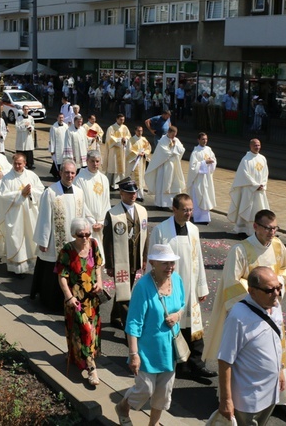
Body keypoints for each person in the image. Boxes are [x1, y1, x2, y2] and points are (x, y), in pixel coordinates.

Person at [202, 210, 286, 409]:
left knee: (274, 351)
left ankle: (278, 397)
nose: (272, 232)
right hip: (248, 313)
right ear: (255, 227)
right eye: (268, 228)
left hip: (272, 309)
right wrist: (258, 298)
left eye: (275, 228)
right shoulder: (240, 250)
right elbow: (231, 283)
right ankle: (236, 398)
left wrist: (277, 283)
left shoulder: (278, 246)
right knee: (248, 356)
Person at [115, 244, 185, 426]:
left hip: (170, 350)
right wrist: (133, 354)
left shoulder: (176, 280)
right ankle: (123, 406)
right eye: (165, 263)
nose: (170, 266)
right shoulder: (143, 287)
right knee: (144, 389)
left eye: (172, 262)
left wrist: (177, 316)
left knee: (163, 394)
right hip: (147, 351)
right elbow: (133, 324)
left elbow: (183, 305)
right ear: (153, 263)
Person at [149, 193, 212, 378]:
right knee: (175, 324)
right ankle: (180, 363)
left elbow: (198, 259)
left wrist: (201, 286)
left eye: (191, 209)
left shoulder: (193, 230)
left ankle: (197, 364)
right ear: (174, 209)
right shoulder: (161, 230)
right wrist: (155, 288)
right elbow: (152, 260)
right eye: (184, 210)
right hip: (170, 286)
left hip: (190, 285)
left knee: (193, 324)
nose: (189, 213)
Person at [216, 267, 286, 426]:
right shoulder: (238, 317)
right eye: (269, 290)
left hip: (270, 393)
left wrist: (280, 370)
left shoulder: (275, 306)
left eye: (278, 288)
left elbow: (276, 340)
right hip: (248, 399)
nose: (276, 293)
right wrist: (226, 400)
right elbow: (225, 360)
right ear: (252, 291)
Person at [32, 159, 92, 310]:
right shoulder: (51, 192)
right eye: (66, 172)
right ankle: (50, 301)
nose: (70, 175)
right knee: (54, 271)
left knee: (72, 270)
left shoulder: (79, 192)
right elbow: (44, 218)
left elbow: (83, 214)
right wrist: (43, 241)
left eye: (72, 173)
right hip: (55, 240)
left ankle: (71, 299)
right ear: (60, 173)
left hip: (73, 240)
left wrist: (86, 233)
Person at [57, 217, 104, 386]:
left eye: (87, 234)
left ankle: (78, 356)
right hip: (75, 300)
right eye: (80, 235)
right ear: (73, 234)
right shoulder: (67, 251)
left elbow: (98, 264)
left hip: (91, 299)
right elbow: (62, 276)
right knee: (84, 329)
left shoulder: (94, 244)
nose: (85, 238)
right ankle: (92, 369)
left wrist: (99, 280)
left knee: (90, 332)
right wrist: (68, 296)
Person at [104, 177, 149, 330]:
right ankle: (127, 324)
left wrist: (144, 257)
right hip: (120, 259)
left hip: (135, 258)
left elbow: (145, 235)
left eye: (134, 193)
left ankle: (115, 316)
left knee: (125, 288)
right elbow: (108, 241)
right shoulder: (112, 214)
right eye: (129, 193)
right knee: (124, 292)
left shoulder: (142, 211)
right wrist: (109, 265)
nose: (133, 196)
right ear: (121, 193)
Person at [0, 153, 44, 276]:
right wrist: (21, 193)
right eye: (15, 163)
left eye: (20, 163)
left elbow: (41, 191)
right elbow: (3, 196)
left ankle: (32, 265)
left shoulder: (32, 176)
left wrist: (30, 192)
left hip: (30, 214)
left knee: (30, 238)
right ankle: (17, 268)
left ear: (25, 163)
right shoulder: (7, 178)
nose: (17, 166)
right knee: (16, 239)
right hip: (15, 216)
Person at [228, 139, 269, 235]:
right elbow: (244, 174)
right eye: (255, 145)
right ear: (250, 146)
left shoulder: (263, 158)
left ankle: (258, 230)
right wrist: (255, 185)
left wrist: (263, 184)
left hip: (260, 190)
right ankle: (244, 229)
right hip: (249, 190)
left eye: (259, 145)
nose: (257, 147)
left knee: (259, 209)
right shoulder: (246, 159)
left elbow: (265, 173)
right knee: (247, 210)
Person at [72, 150, 110, 249]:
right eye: (92, 161)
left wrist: (101, 222)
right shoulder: (79, 179)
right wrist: (92, 222)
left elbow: (107, 202)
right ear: (87, 161)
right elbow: (80, 203)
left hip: (101, 223)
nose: (95, 164)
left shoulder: (104, 179)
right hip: (87, 223)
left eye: (97, 161)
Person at [144, 126, 186, 209]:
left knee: (173, 184)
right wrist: (174, 150)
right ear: (168, 132)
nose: (173, 137)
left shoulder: (176, 140)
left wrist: (174, 146)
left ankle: (170, 204)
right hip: (163, 166)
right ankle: (160, 204)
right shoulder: (163, 140)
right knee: (162, 184)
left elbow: (182, 150)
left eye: (175, 135)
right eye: (172, 135)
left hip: (173, 166)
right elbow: (164, 153)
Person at [187, 132, 217, 224]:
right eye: (203, 139)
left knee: (206, 197)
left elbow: (214, 160)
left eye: (206, 139)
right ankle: (198, 217)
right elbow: (193, 167)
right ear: (198, 140)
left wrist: (212, 162)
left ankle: (205, 217)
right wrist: (204, 163)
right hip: (198, 179)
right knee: (198, 197)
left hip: (207, 178)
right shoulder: (195, 152)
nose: (205, 141)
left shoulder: (209, 149)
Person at [105, 113, 131, 189]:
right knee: (113, 166)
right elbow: (109, 139)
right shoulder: (111, 128)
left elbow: (128, 136)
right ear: (117, 119)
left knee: (121, 167)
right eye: (121, 119)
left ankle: (119, 184)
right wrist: (120, 140)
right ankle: (110, 183)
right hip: (114, 151)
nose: (122, 121)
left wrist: (125, 139)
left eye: (123, 119)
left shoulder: (125, 127)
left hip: (122, 150)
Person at [127, 126, 152, 202]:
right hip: (134, 163)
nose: (140, 132)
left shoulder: (144, 139)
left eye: (141, 131)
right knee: (134, 179)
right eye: (138, 131)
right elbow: (128, 151)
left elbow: (148, 148)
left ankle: (140, 195)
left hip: (141, 162)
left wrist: (144, 153)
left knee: (140, 179)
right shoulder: (131, 140)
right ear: (135, 131)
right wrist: (137, 154)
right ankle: (133, 194)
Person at [48, 113, 69, 179]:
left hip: (64, 147)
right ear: (57, 118)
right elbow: (52, 139)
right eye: (60, 118)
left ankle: (56, 172)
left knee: (62, 161)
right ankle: (59, 174)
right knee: (58, 161)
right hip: (57, 148)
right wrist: (52, 150)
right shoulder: (54, 127)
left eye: (62, 117)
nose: (61, 119)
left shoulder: (66, 126)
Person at [15, 105, 35, 169]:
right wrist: (24, 125)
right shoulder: (19, 118)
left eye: (27, 109)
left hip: (28, 136)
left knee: (28, 150)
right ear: (23, 110)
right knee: (21, 150)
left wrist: (30, 128)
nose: (26, 111)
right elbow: (17, 128)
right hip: (21, 137)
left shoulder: (31, 118)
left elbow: (33, 126)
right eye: (25, 109)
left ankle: (30, 164)